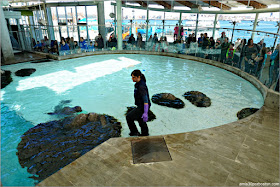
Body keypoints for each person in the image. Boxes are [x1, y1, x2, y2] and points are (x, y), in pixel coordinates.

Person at [126, 69, 151, 136]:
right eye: (132, 77)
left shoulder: (141, 87)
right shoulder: (140, 82)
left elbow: (146, 100)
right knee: (140, 119)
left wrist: (145, 112)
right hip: (140, 105)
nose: (132, 79)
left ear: (138, 77)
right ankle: (145, 133)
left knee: (129, 117)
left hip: (143, 106)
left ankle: (134, 132)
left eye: (134, 77)